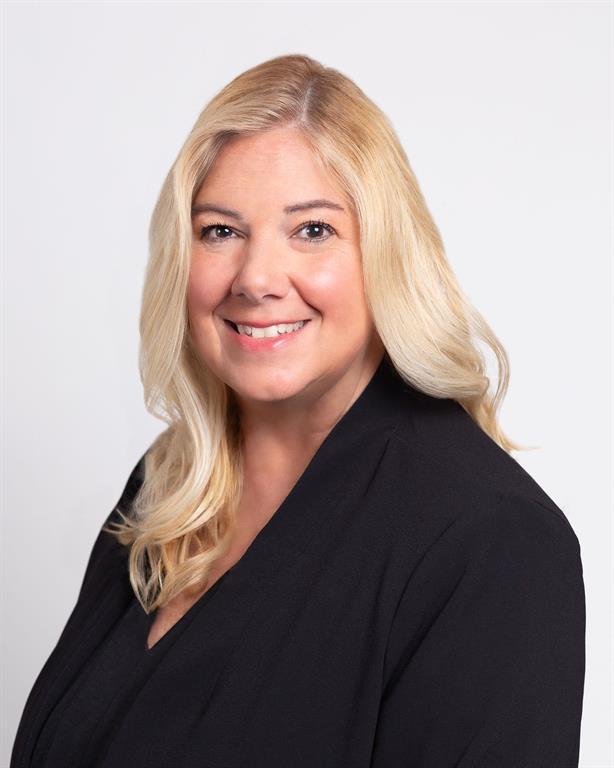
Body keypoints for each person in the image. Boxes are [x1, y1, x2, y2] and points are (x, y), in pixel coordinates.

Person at [11, 53, 585, 768]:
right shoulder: (168, 484)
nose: (256, 279)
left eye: (312, 230)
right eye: (220, 230)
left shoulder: (489, 542)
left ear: (387, 253)